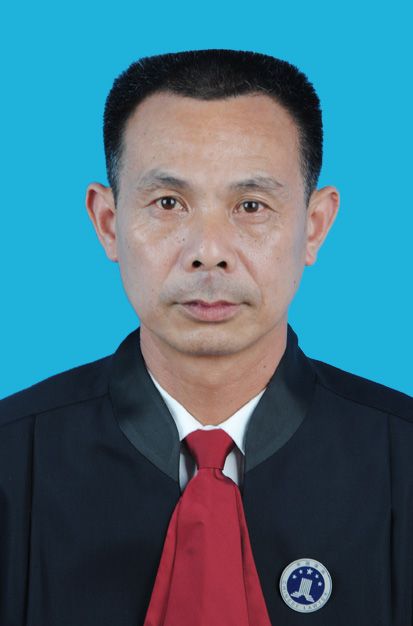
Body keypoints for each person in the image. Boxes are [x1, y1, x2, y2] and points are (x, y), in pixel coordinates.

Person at [0, 48, 412, 626]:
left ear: (314, 226)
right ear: (108, 223)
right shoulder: (12, 463)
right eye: (168, 203)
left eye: (251, 205)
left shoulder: (402, 460)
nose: (209, 252)